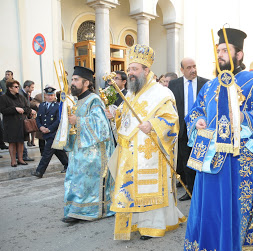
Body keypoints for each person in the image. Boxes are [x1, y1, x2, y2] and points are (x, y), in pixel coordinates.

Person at [183, 28, 253, 251]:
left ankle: (231, 249)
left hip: (240, 159)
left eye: (225, 50)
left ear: (239, 54)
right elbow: (195, 112)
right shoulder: (209, 85)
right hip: (209, 158)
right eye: (217, 51)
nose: (220, 55)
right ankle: (205, 247)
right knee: (210, 206)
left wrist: (241, 118)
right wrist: (198, 120)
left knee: (233, 207)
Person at [107, 44, 186, 241]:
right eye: (129, 69)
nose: (130, 73)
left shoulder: (162, 93)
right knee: (131, 189)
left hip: (151, 152)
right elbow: (126, 121)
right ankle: (137, 223)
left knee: (149, 188)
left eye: (134, 69)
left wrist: (153, 124)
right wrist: (116, 115)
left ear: (146, 70)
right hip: (129, 152)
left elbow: (172, 121)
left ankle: (153, 225)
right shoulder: (131, 93)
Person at [53, 66, 115, 223]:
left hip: (93, 152)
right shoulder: (76, 100)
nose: (72, 83)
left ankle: (90, 210)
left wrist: (78, 121)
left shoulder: (94, 100)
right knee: (73, 179)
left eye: (76, 80)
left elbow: (101, 126)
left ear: (86, 82)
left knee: (84, 181)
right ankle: (74, 210)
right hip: (78, 150)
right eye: (72, 79)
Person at [168, 58, 209, 201]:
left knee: (202, 160)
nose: (193, 70)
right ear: (182, 70)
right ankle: (190, 191)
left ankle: (204, 190)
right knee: (187, 162)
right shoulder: (174, 84)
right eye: (189, 67)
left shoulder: (206, 83)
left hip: (202, 128)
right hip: (183, 128)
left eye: (194, 66)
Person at [31, 85, 68, 178]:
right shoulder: (42, 105)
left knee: (47, 153)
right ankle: (68, 165)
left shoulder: (58, 106)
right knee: (58, 150)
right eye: (48, 95)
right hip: (45, 132)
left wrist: (49, 129)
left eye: (52, 95)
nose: (50, 97)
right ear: (45, 95)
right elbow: (38, 118)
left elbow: (58, 120)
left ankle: (39, 171)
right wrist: (41, 127)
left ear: (54, 96)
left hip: (54, 133)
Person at [0, 80, 33, 167]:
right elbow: (3, 110)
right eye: (15, 87)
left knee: (21, 142)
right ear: (10, 88)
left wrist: (23, 110)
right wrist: (15, 109)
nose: (18, 88)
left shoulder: (21, 97)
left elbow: (27, 108)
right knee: (12, 142)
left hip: (21, 123)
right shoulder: (3, 98)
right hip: (10, 124)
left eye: (18, 86)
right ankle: (13, 161)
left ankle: (21, 159)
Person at [18, 80, 35, 161]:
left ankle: (22, 155)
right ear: (27, 87)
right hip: (19, 119)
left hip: (25, 118)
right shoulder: (20, 94)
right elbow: (22, 106)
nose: (33, 89)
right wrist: (30, 111)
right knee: (20, 138)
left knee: (23, 137)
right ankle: (23, 155)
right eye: (32, 87)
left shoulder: (26, 94)